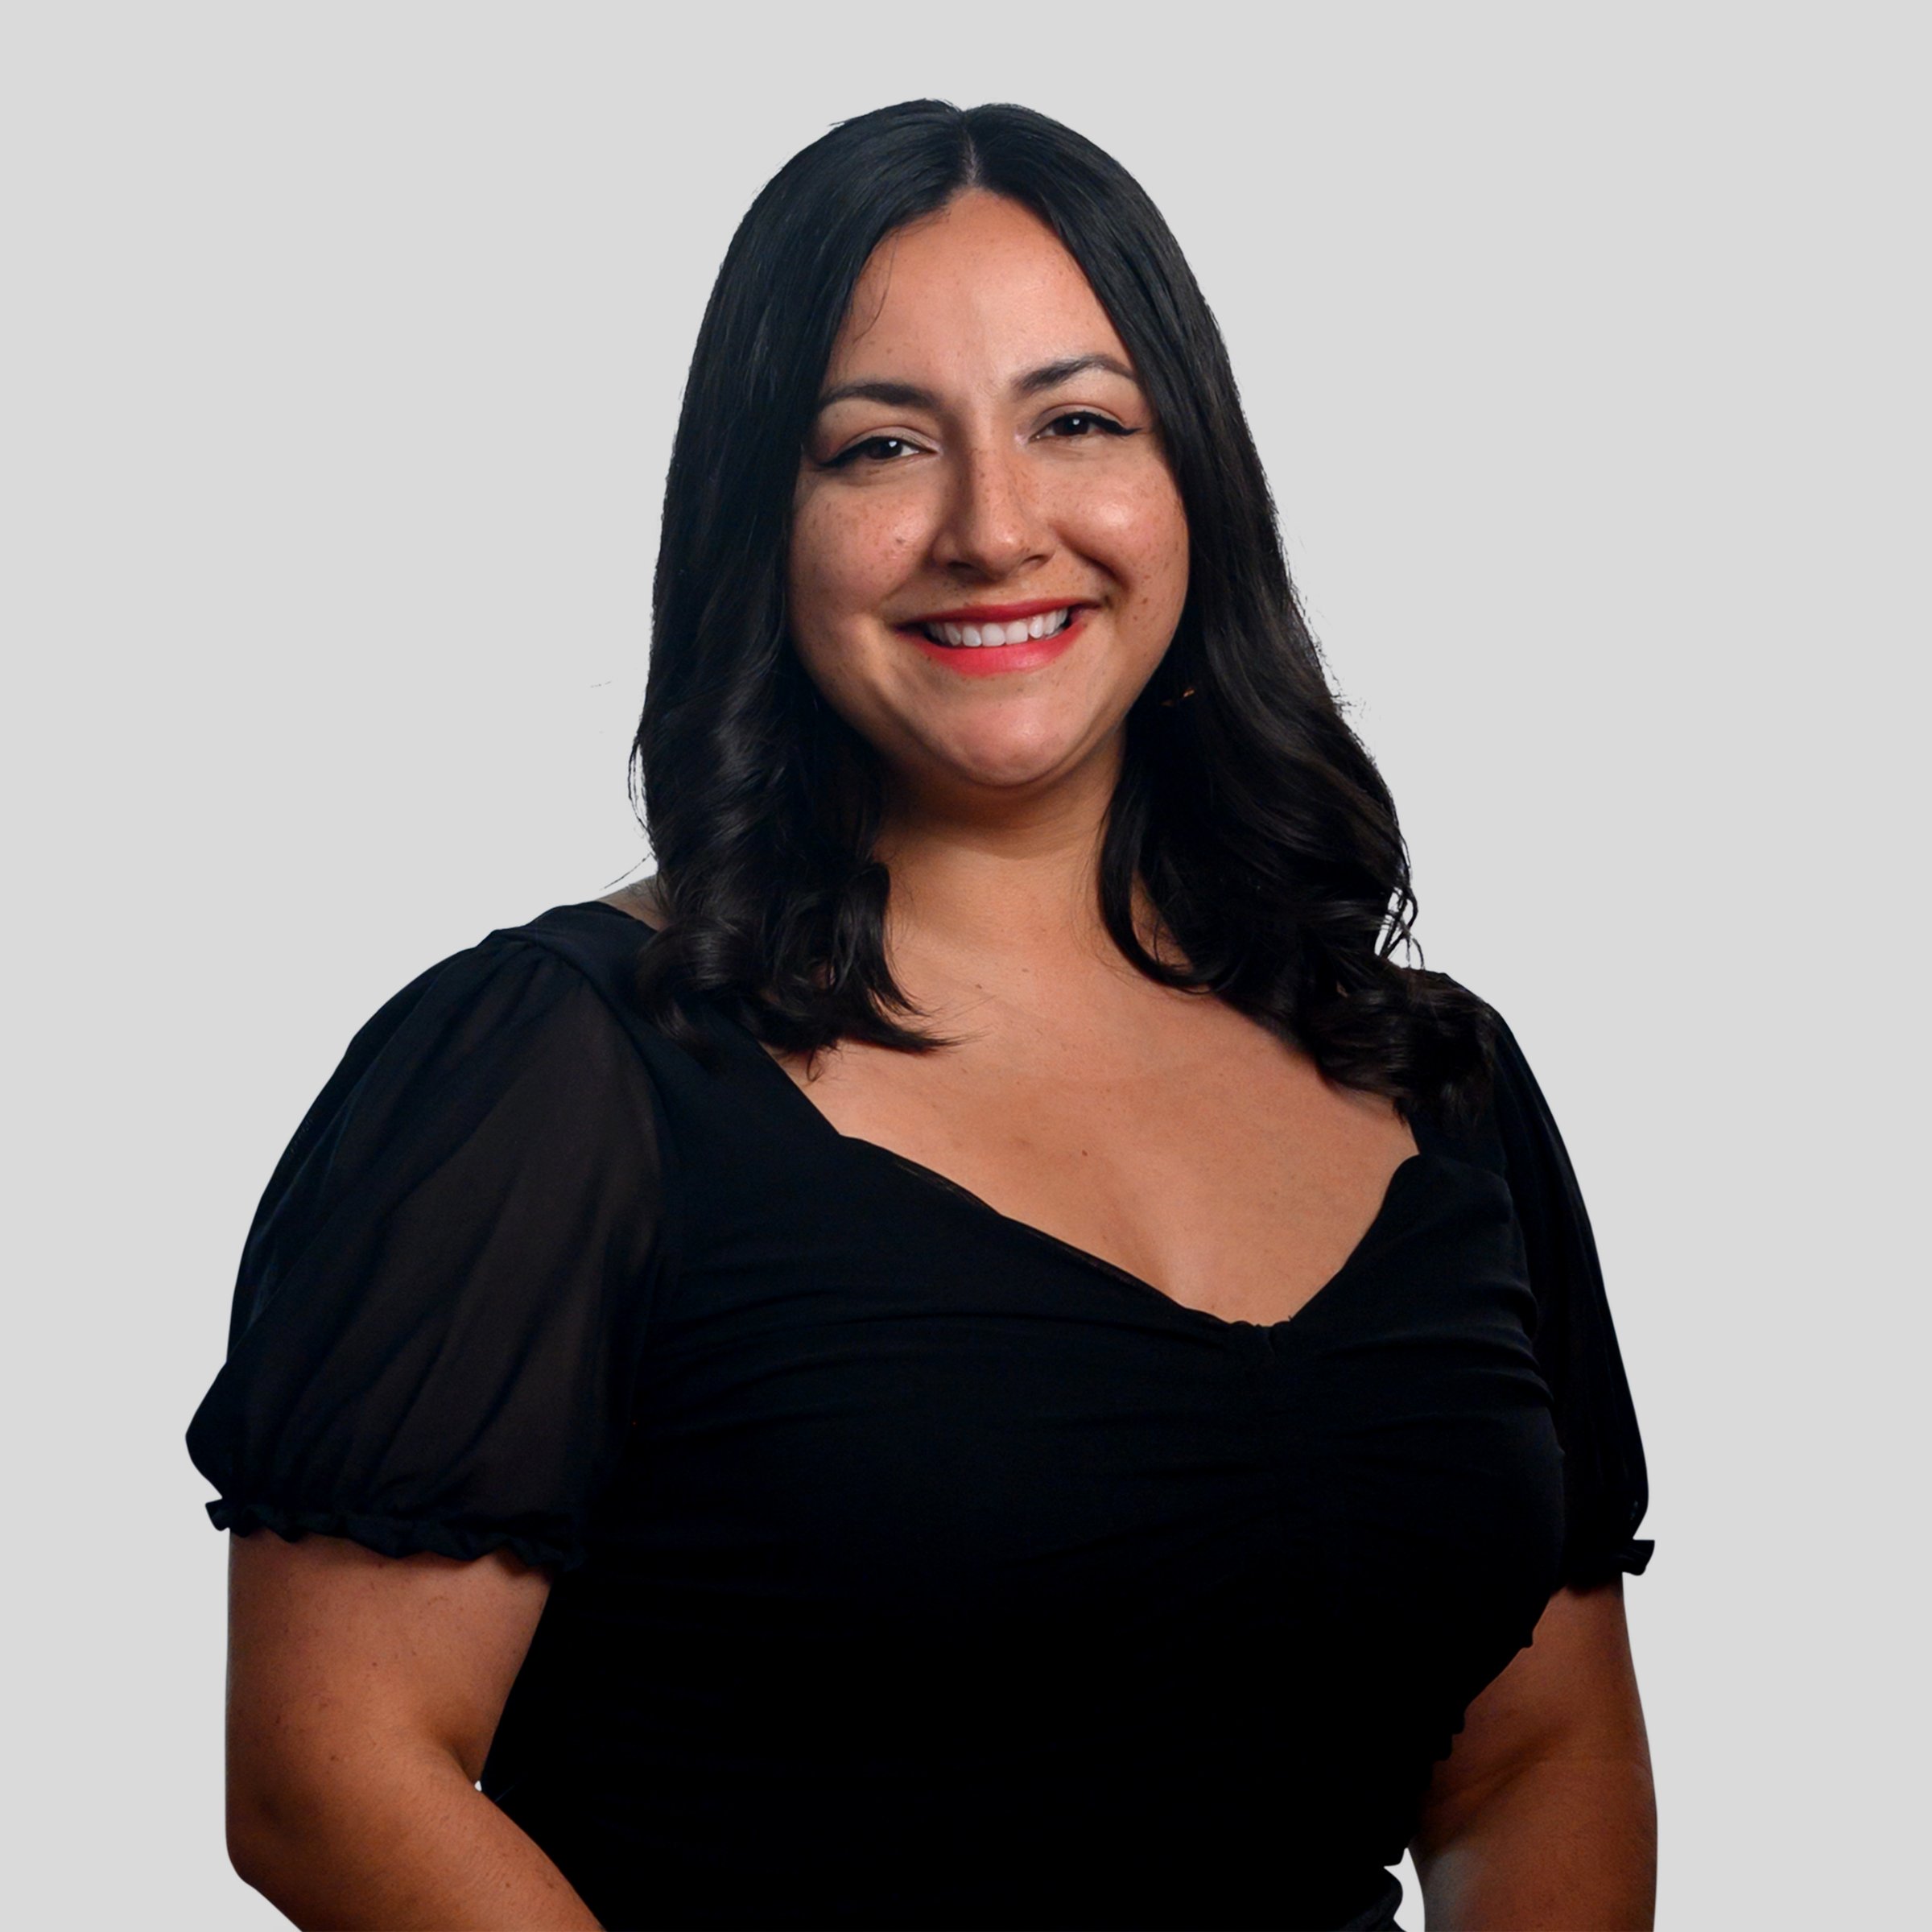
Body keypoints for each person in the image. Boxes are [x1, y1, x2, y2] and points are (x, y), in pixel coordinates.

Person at [186, 99, 1656, 1932]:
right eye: (881, 446)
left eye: (1080, 423)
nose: (992, 526)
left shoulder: (1436, 1082)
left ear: (1192, 475)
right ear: (762, 519)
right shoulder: (556, 1077)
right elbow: (331, 1775)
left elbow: (1538, 1757)